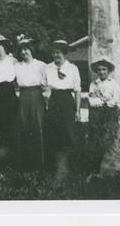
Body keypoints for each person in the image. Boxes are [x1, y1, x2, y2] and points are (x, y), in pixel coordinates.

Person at [45, 40, 81, 181]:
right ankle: (55, 167)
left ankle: (67, 167)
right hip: (53, 100)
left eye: (59, 52)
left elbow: (77, 90)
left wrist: (78, 110)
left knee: (68, 133)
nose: (56, 55)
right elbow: (43, 84)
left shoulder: (72, 68)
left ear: (65, 53)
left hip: (67, 101)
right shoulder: (48, 67)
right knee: (53, 132)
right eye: (54, 52)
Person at [87, 57, 120, 180]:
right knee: (96, 140)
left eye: (104, 69)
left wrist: (103, 99)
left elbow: (115, 100)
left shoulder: (114, 84)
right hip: (97, 115)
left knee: (109, 140)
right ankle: (95, 170)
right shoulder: (94, 84)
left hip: (110, 114)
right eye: (99, 70)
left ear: (108, 71)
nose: (102, 72)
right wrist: (104, 99)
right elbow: (92, 101)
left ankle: (110, 169)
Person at [14, 37, 49, 171]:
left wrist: (45, 100)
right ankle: (24, 163)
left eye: (26, 49)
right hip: (23, 96)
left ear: (31, 50)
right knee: (23, 126)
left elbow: (46, 84)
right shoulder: (16, 66)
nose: (24, 52)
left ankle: (39, 163)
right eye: (21, 50)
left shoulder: (41, 65)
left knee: (37, 126)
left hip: (36, 95)